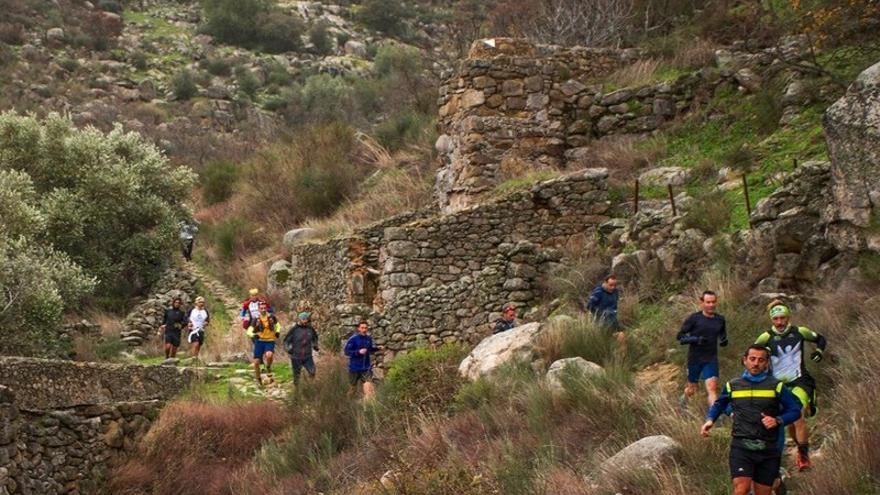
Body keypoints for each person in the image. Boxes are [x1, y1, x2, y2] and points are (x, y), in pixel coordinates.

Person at [701, 345, 802, 495]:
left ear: (767, 363)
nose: (756, 363)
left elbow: (795, 409)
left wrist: (779, 420)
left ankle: (779, 483)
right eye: (752, 359)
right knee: (742, 489)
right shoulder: (733, 385)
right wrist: (710, 420)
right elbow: (719, 404)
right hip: (741, 446)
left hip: (768, 448)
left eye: (761, 360)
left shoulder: (776, 386)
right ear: (745, 361)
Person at [754, 300, 827, 471]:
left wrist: (819, 351)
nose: (780, 322)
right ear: (772, 320)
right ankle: (799, 448)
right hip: (778, 386)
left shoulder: (800, 332)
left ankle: (804, 458)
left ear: (788, 317)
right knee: (790, 423)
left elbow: (821, 339)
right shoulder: (766, 337)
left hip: (800, 381)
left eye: (782, 318)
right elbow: (753, 356)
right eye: (776, 319)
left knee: (798, 415)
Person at [677, 290, 728, 408]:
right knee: (692, 389)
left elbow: (722, 334)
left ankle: (714, 417)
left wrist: (724, 340)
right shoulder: (694, 318)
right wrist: (695, 339)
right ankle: (682, 401)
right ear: (702, 302)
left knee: (712, 388)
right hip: (695, 359)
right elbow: (680, 337)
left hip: (711, 358)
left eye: (713, 302)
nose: (711, 305)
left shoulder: (720, 319)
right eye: (708, 302)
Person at [344, 321, 385, 400]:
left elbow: (369, 349)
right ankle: (347, 401)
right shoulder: (353, 339)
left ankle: (368, 405)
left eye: (366, 328)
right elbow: (346, 352)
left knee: (368, 386)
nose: (364, 330)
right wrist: (358, 352)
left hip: (365, 368)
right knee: (353, 389)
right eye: (362, 328)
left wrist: (377, 348)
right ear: (359, 329)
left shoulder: (368, 339)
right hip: (354, 368)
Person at [246, 301, 280, 386]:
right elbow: (249, 330)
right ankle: (258, 378)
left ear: (266, 308)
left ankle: (268, 366)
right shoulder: (256, 319)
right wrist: (254, 335)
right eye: (261, 308)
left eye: (265, 308)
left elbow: (278, 325)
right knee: (256, 362)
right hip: (260, 341)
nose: (263, 310)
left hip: (269, 340)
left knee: (269, 355)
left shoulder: (271, 317)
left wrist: (278, 332)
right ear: (258, 309)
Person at [283, 312, 320, 386]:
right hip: (296, 356)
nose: (305, 321)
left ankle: (310, 388)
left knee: (312, 372)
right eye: (303, 319)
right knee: (297, 376)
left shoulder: (310, 329)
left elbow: (315, 338)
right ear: (299, 320)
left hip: (308, 356)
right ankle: (296, 392)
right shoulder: (294, 330)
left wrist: (315, 345)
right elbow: (286, 341)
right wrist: (288, 349)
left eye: (306, 319)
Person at [586, 274, 623, 345]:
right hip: (601, 323)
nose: (613, 287)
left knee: (622, 335)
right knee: (617, 337)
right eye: (611, 285)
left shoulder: (615, 292)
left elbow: (615, 307)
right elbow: (589, 306)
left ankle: (620, 354)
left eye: (615, 285)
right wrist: (603, 313)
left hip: (613, 320)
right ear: (605, 283)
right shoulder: (598, 292)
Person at [187, 296, 210, 360]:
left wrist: (206, 323)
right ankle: (193, 357)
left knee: (199, 345)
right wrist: (188, 322)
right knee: (196, 343)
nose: (201, 304)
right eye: (200, 302)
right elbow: (186, 317)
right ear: (196, 303)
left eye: (203, 302)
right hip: (193, 330)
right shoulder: (192, 310)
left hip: (201, 330)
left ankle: (196, 357)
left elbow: (207, 320)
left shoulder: (205, 311)